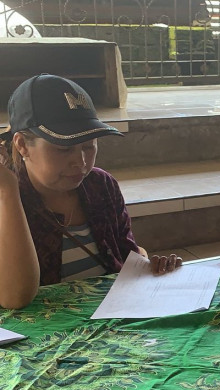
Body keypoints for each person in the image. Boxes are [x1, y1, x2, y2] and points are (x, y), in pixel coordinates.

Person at [0, 75, 180, 309]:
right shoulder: (7, 200)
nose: (81, 162)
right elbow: (15, 298)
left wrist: (149, 265)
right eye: (64, 149)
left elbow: (126, 252)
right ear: (22, 145)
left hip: (112, 317)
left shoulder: (100, 185)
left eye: (88, 146)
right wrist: (7, 192)